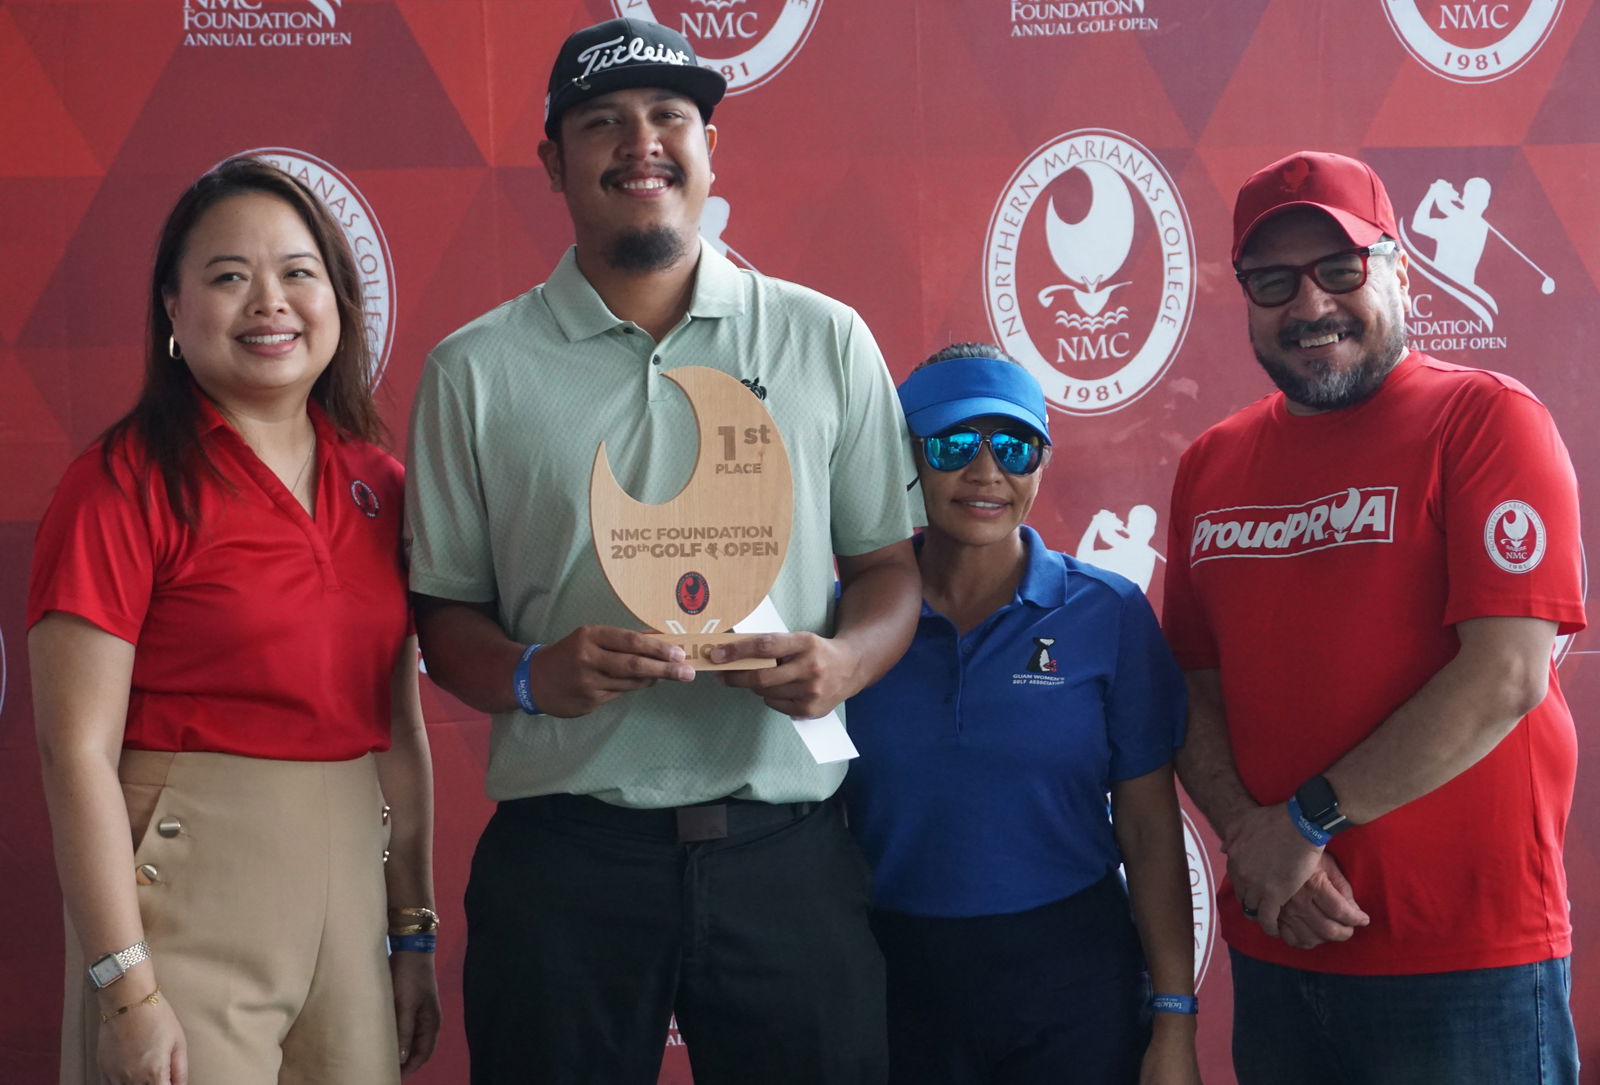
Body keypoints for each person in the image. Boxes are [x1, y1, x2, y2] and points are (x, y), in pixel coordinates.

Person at [404, 17, 922, 1085]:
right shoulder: (473, 370)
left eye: (668, 117)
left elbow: (888, 570)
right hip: (564, 858)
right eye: (601, 123)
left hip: (786, 846)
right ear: (553, 161)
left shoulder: (825, 337)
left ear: (709, 148)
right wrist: (530, 674)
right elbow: (442, 616)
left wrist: (845, 663)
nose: (639, 143)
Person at [1162, 150, 1583, 1083]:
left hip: (1465, 967)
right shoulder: (1210, 464)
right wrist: (1252, 835)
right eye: (1273, 281)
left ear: (1398, 267)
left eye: (1339, 269)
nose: (1309, 306)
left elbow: (1507, 672)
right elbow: (1190, 686)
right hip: (1281, 944)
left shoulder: (1486, 421)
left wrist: (1304, 823)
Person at [28, 157, 439, 1085]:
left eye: (299, 272)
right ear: (173, 308)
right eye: (228, 276)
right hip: (183, 900)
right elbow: (74, 752)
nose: (271, 302)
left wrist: (410, 933)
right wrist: (126, 990)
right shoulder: (121, 483)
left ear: (338, 295)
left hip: (350, 892)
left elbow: (401, 727)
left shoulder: (381, 485)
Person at [843, 344, 1202, 1085]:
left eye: (1013, 446)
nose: (985, 472)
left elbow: (1148, 826)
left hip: (1072, 979)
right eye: (952, 445)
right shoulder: (849, 615)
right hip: (891, 978)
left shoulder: (1108, 613)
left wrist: (1174, 1016)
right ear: (905, 457)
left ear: (1041, 461)